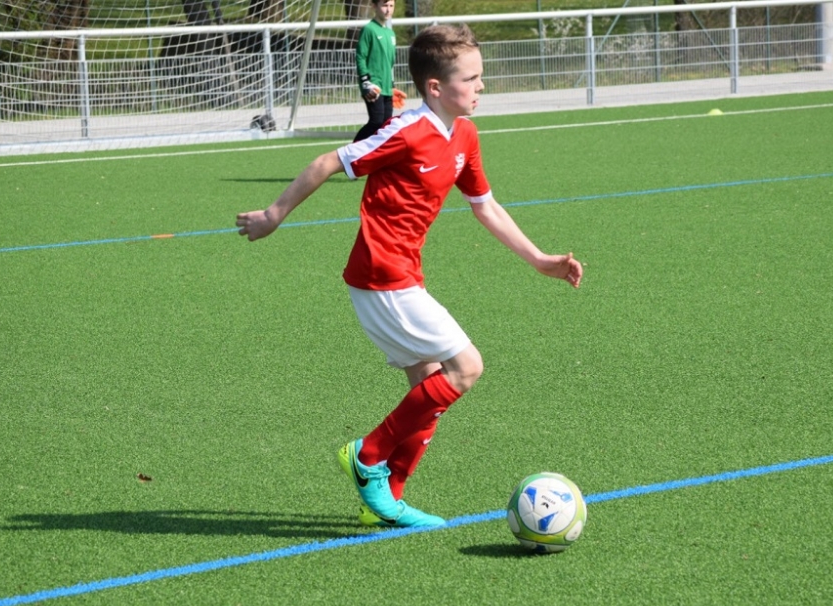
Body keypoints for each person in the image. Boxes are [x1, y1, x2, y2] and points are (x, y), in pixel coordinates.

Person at [236, 23, 583, 529]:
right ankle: (367, 456)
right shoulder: (408, 131)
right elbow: (329, 161)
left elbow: (485, 206)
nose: (482, 86)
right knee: (466, 367)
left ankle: (386, 501)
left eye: (480, 76)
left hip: (403, 277)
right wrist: (273, 215)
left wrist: (539, 260)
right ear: (436, 87)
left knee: (428, 387)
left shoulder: (464, 134)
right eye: (471, 78)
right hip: (381, 276)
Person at [353, 0, 404, 142]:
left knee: (386, 125)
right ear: (374, 6)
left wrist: (392, 85)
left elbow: (389, 62)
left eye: (391, 6)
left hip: (387, 87)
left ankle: (376, 155)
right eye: (384, 5)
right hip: (373, 84)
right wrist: (365, 81)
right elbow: (360, 56)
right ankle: (352, 150)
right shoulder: (369, 29)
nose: (388, 10)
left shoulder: (390, 33)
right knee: (376, 121)